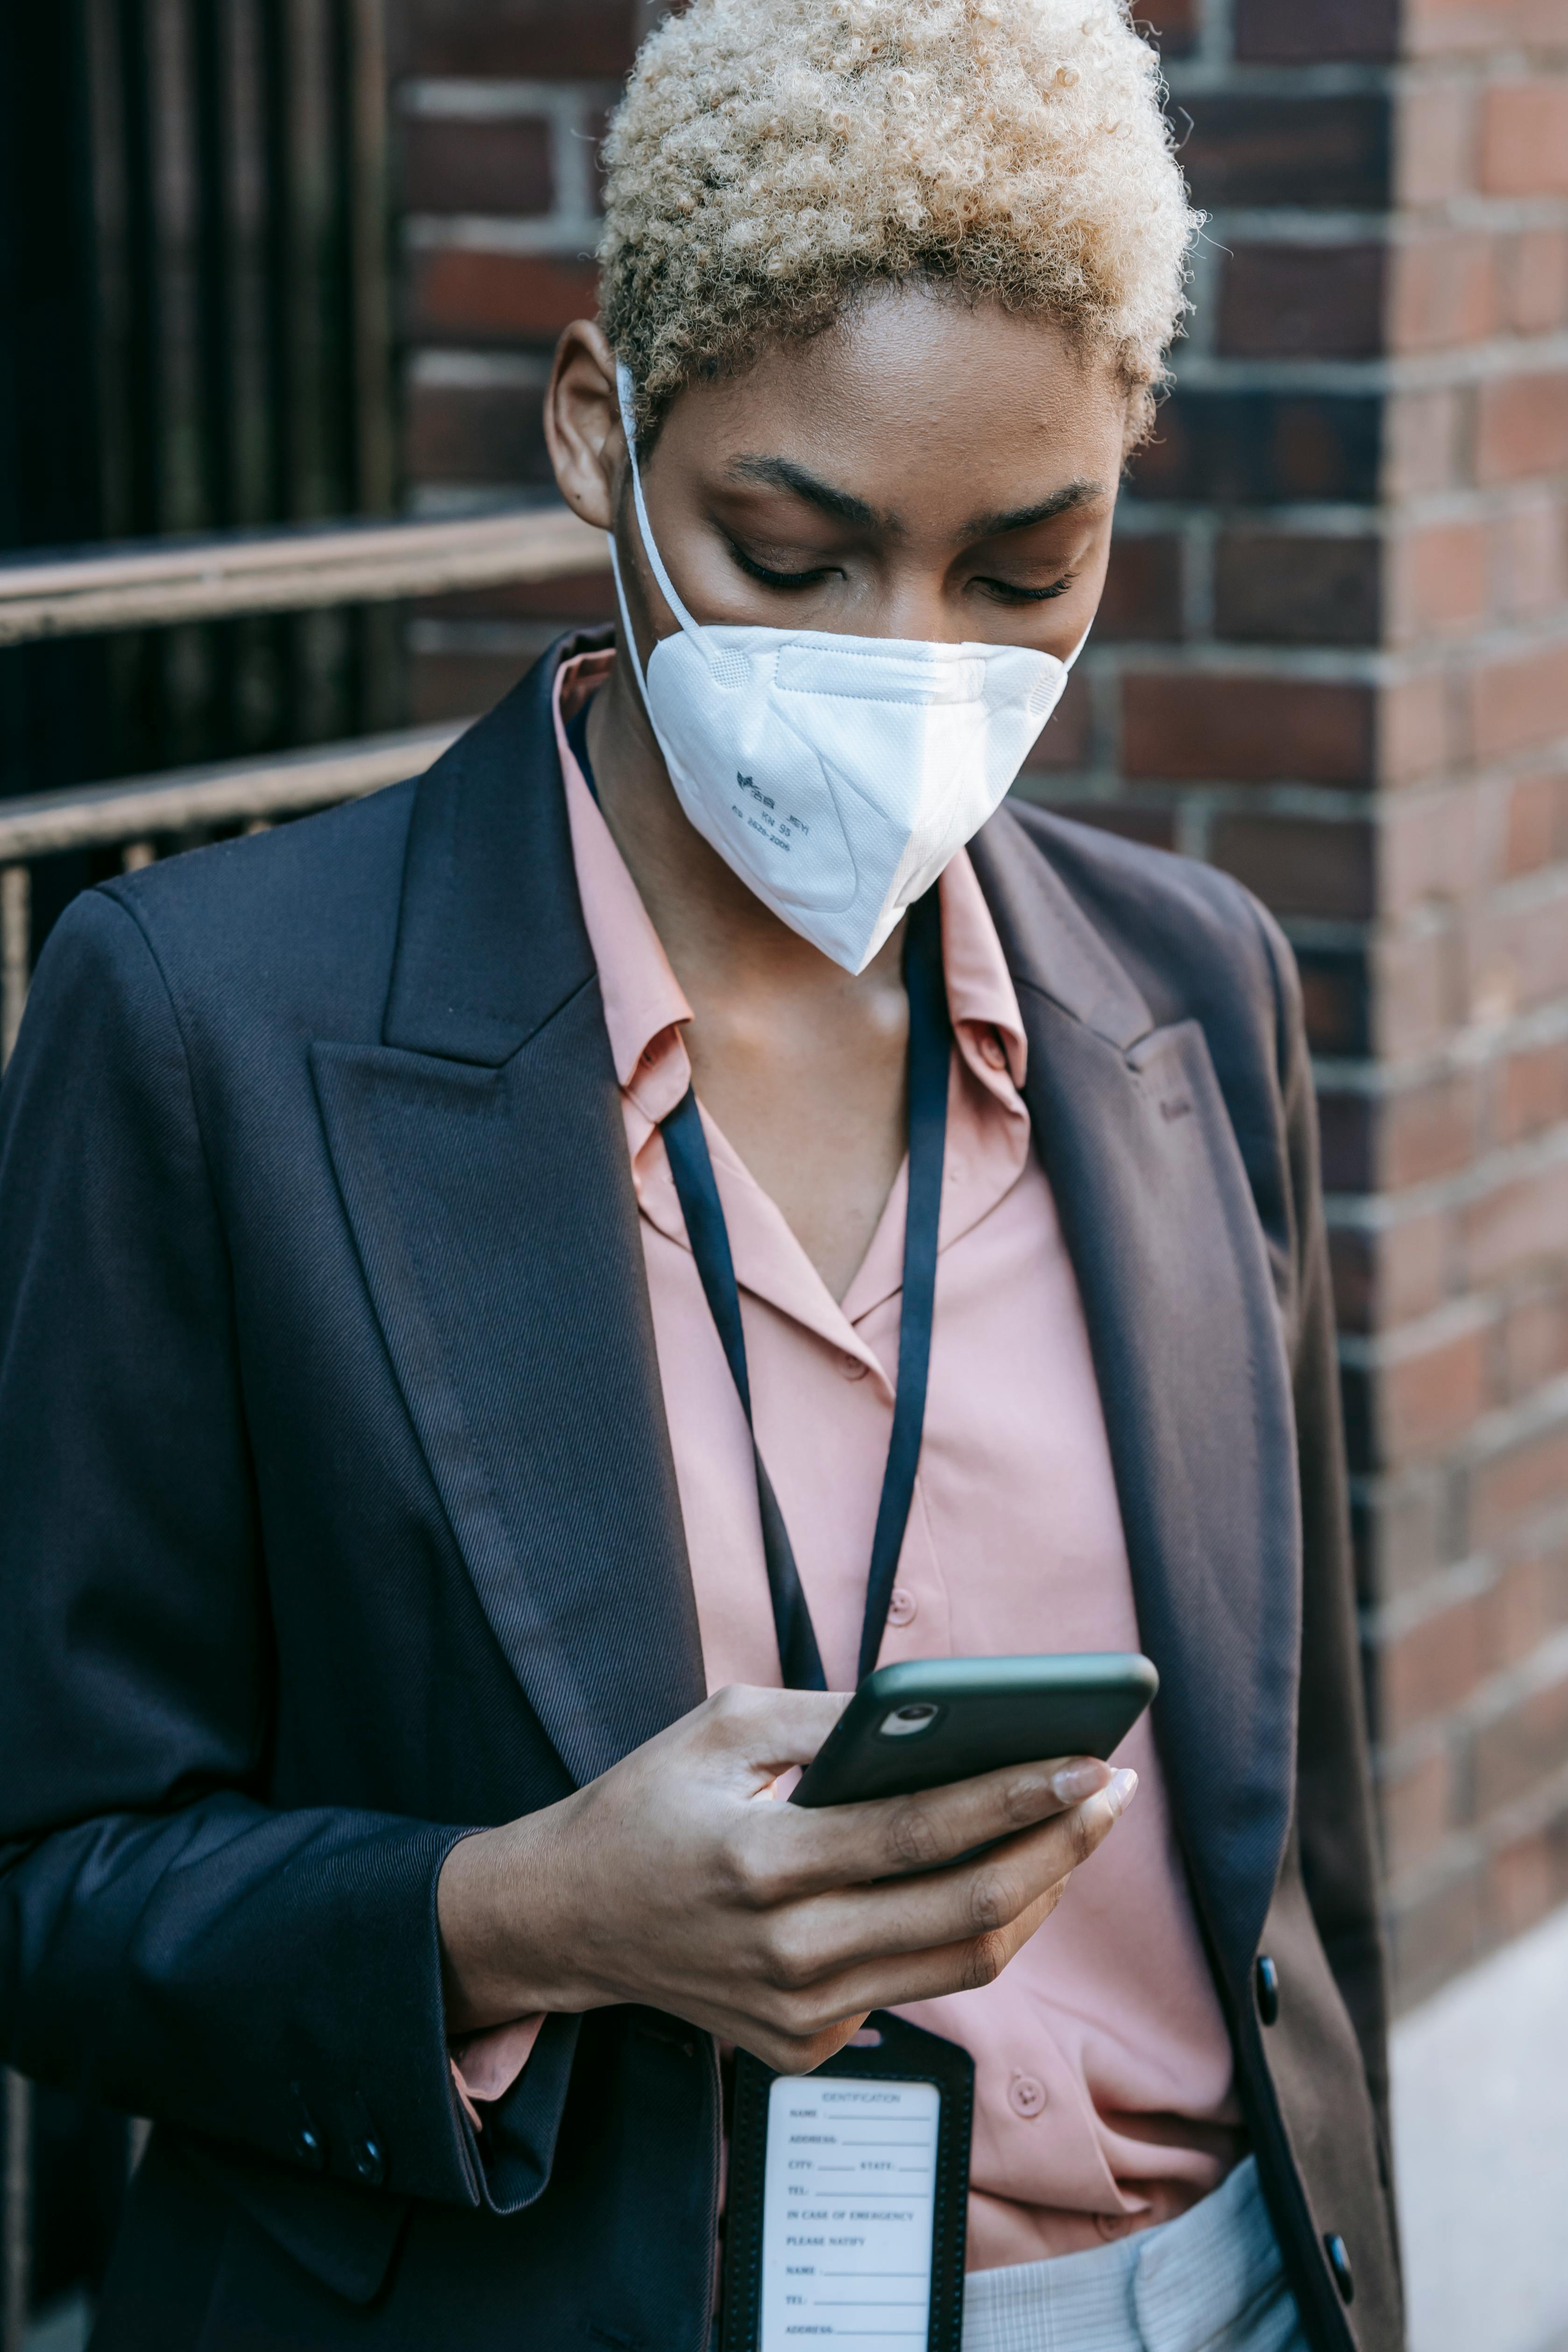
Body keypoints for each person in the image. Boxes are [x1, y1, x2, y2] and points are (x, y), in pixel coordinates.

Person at [0, 2, 1401, 2347]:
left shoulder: (1196, 986)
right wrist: (526, 1909)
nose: (909, 663)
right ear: (597, 430)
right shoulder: (198, 1019)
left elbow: (1304, 1849)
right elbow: (45, 1877)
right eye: (794, 549)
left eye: (1027, 566)